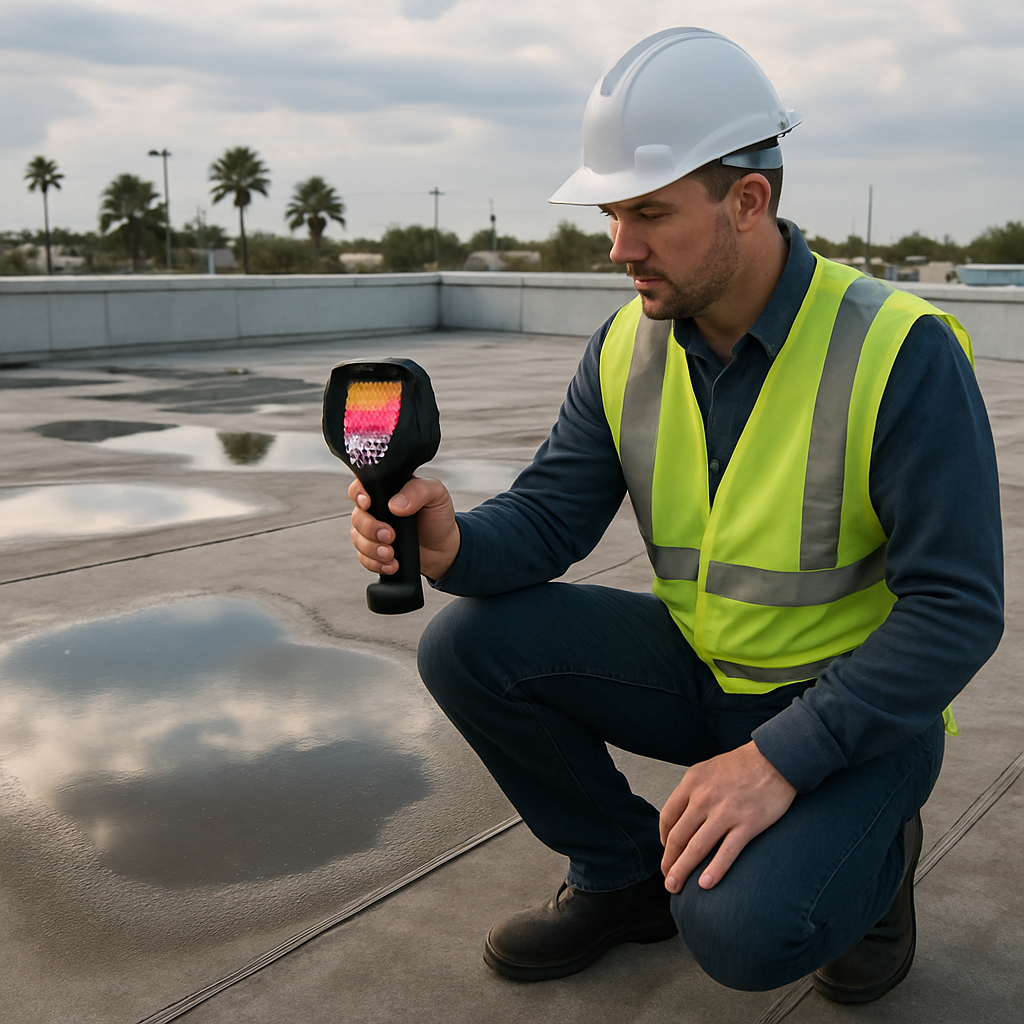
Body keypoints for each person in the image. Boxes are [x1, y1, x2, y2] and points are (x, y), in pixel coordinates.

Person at [348, 28, 1003, 1001]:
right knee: (467, 644)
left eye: (649, 212)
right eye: (612, 214)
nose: (621, 248)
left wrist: (782, 757)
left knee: (740, 930)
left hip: (855, 708)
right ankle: (618, 876)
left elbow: (956, 609)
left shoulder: (898, 350)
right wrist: (449, 540)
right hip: (704, 671)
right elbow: (547, 521)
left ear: (748, 200)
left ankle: (874, 866)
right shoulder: (628, 344)